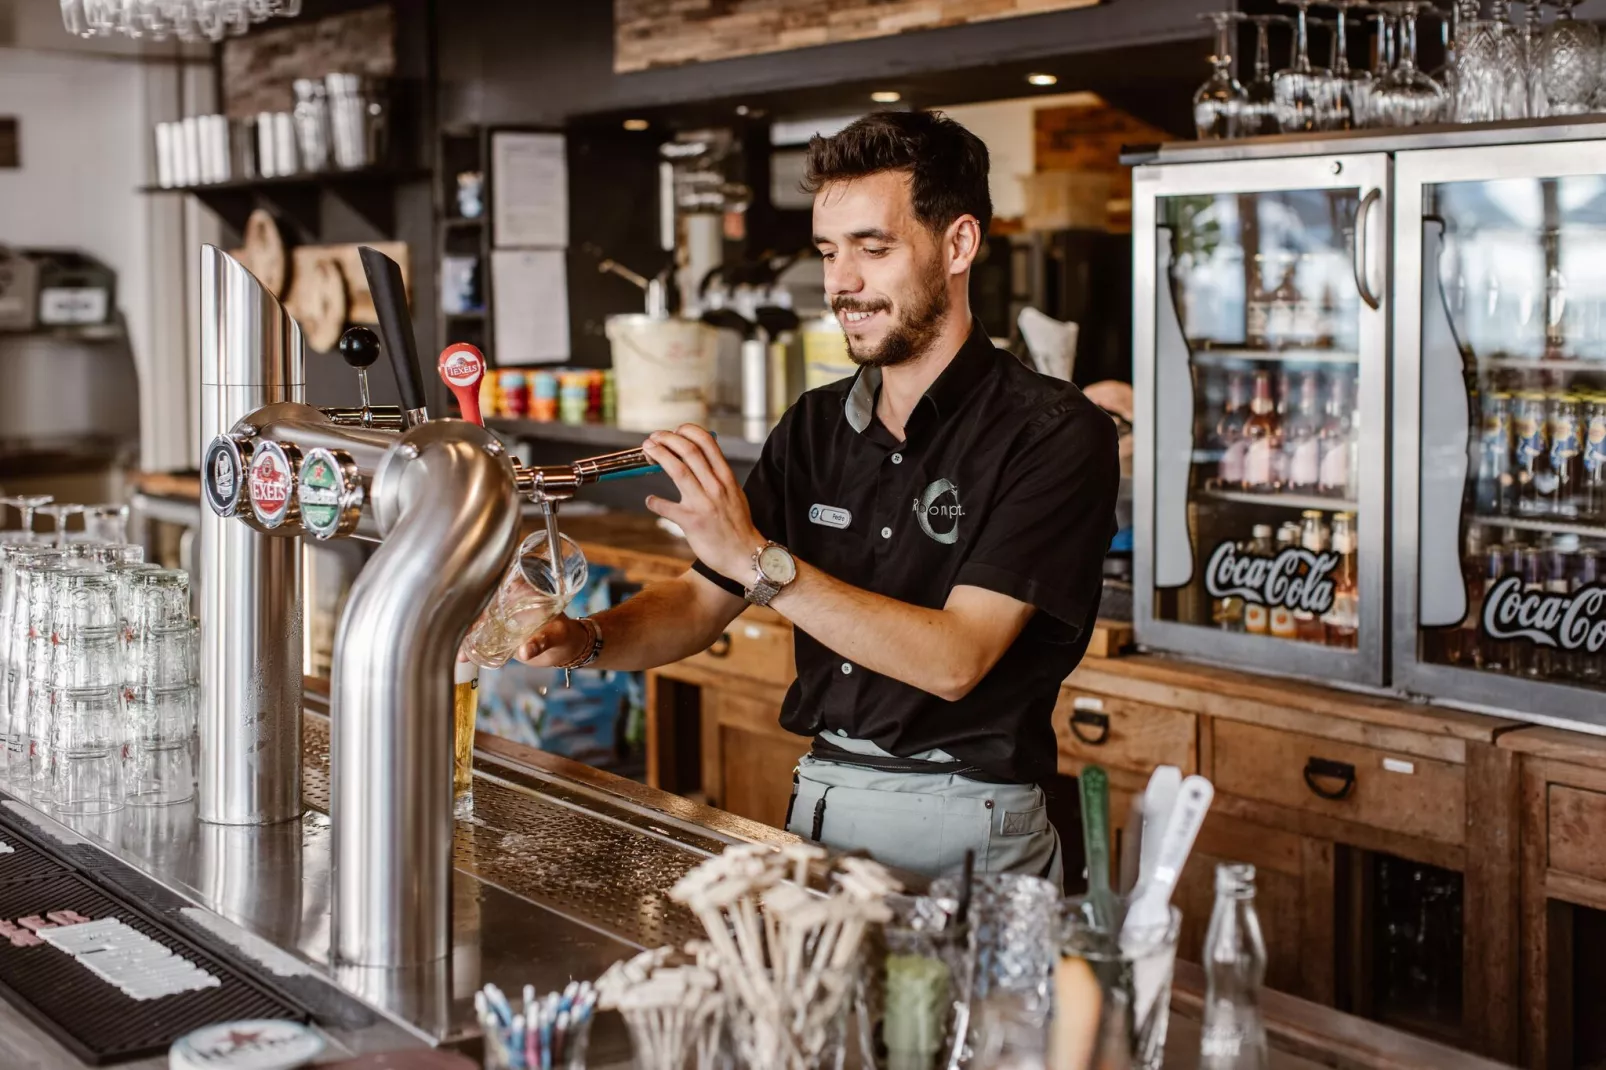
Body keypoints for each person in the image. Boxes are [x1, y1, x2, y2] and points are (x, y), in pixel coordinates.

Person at [519, 110, 1119, 884]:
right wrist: (589, 640)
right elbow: (704, 601)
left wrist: (759, 561)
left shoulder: (1053, 430)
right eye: (830, 252)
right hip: (817, 802)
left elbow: (954, 661)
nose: (841, 283)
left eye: (874, 248)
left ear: (959, 244)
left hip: (970, 823)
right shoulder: (814, 425)